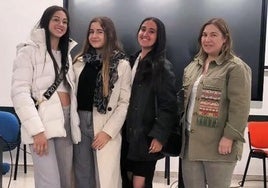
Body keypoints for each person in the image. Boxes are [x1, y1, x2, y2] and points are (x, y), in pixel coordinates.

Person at [11, 5, 81, 188]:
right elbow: (20, 93)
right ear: (46, 21)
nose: (61, 24)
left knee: (66, 180)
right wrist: (37, 131)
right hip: (42, 124)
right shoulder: (28, 51)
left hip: (66, 122)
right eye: (56, 19)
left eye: (65, 21)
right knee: (49, 183)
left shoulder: (66, 55)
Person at [181, 18, 251, 188]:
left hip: (219, 144)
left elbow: (240, 107)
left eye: (213, 35)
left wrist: (229, 137)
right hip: (190, 144)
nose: (207, 39)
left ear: (225, 38)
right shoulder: (193, 66)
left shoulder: (235, 67)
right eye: (204, 35)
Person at [73, 16, 131, 188]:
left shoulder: (121, 65)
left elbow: (124, 103)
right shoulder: (78, 61)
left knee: (104, 177)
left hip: (105, 124)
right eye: (91, 32)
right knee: (82, 174)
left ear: (109, 34)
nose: (94, 36)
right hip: (79, 123)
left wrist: (108, 132)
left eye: (100, 31)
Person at [121, 17, 178, 188]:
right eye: (143, 29)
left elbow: (168, 106)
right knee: (126, 180)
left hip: (145, 138)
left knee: (140, 183)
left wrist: (159, 136)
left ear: (159, 37)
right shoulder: (130, 62)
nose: (145, 34)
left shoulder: (162, 67)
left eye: (151, 31)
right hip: (125, 135)